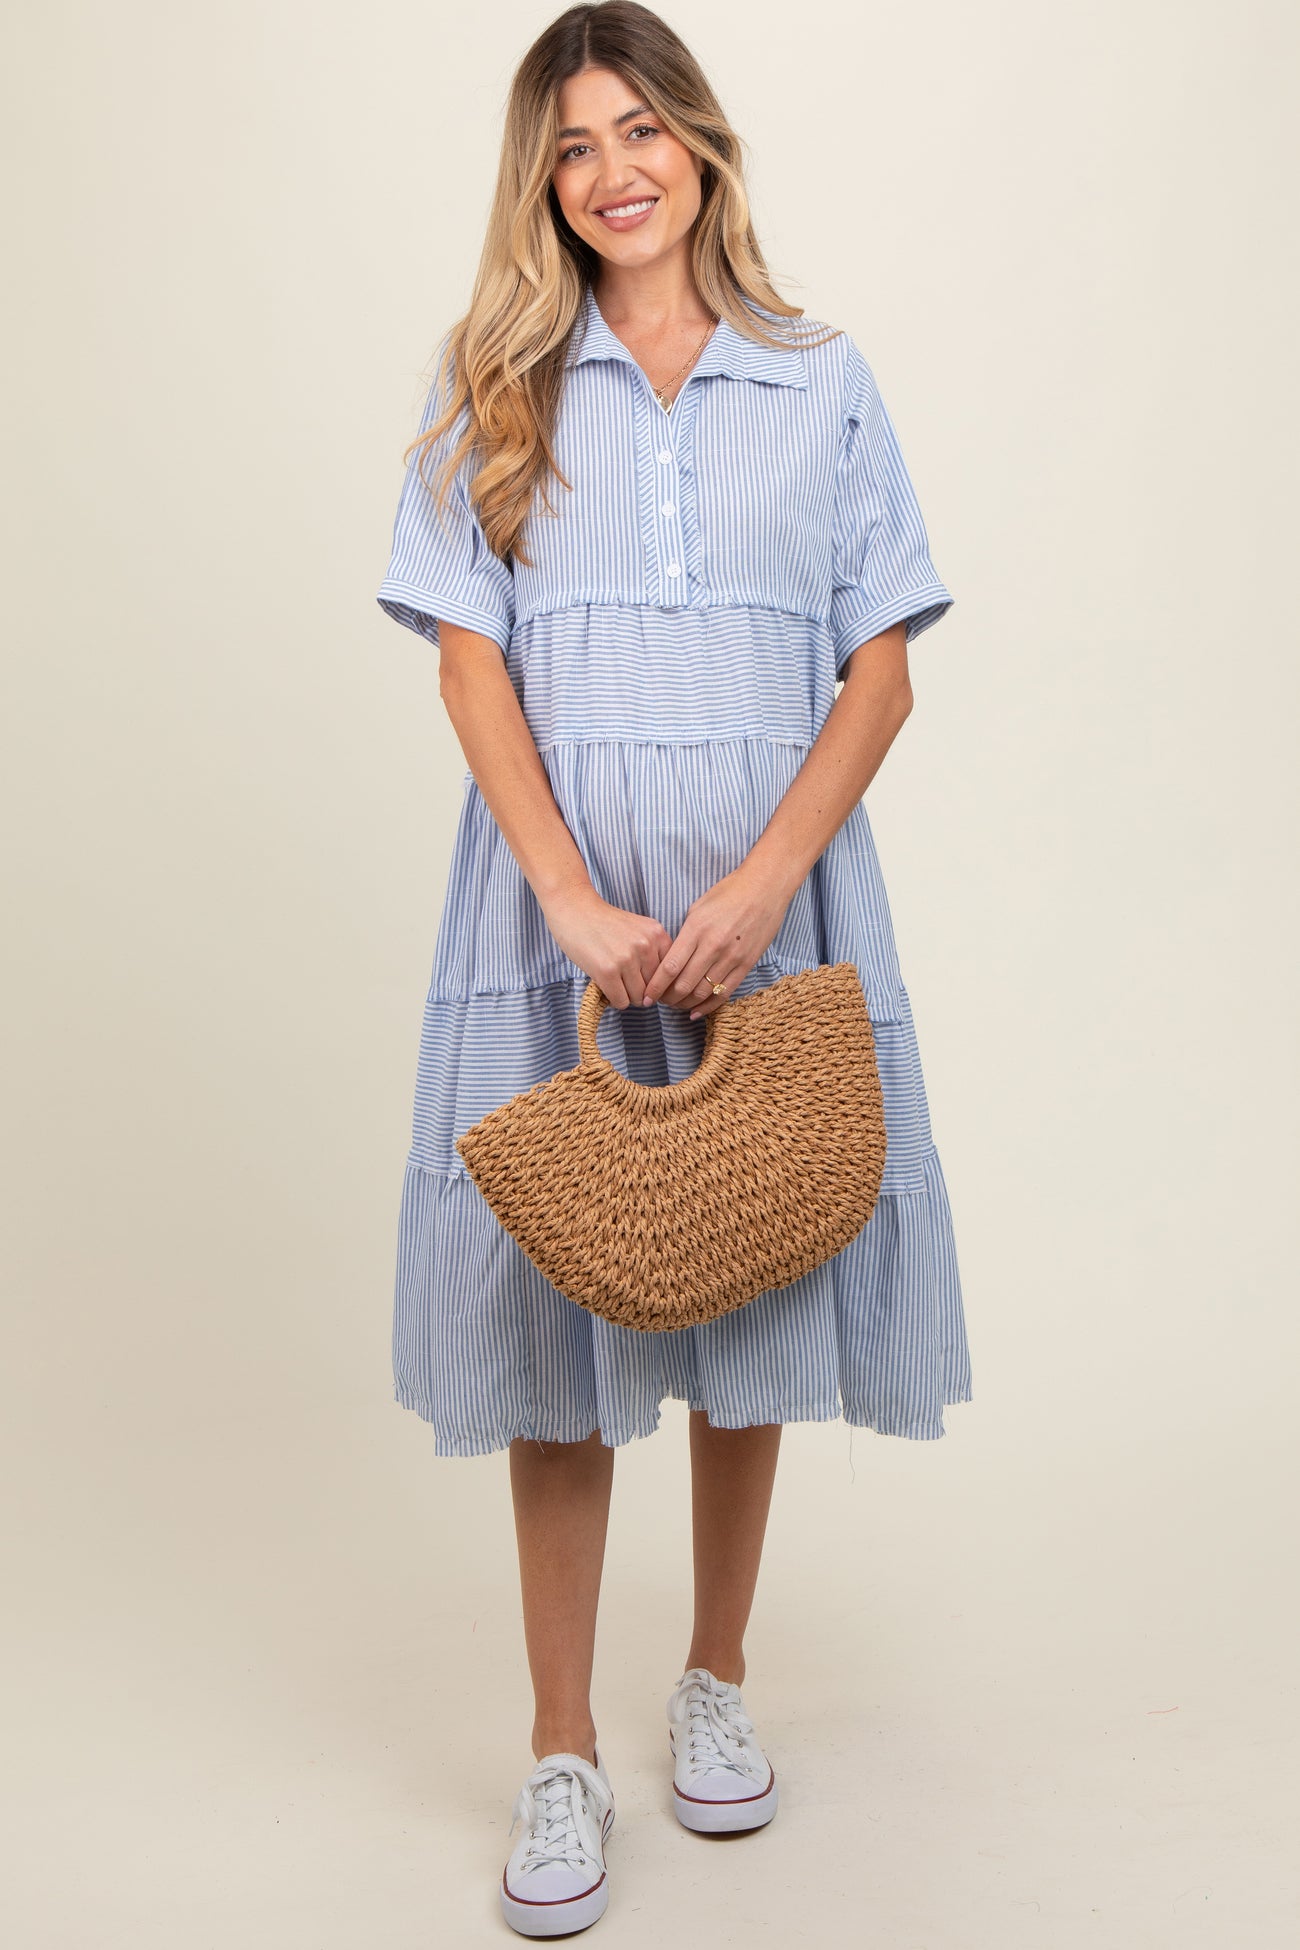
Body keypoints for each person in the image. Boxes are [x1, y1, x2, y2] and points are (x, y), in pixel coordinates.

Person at [374, 2, 973, 1934]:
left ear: (701, 144)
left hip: (764, 910)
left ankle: (715, 1673)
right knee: (562, 1307)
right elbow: (470, 659)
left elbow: (880, 665)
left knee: (750, 1259)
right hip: (555, 919)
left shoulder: (821, 377)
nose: (612, 171)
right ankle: (562, 1745)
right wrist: (562, 890)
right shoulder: (497, 385)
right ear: (539, 182)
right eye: (572, 145)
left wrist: (764, 883)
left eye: (640, 129)